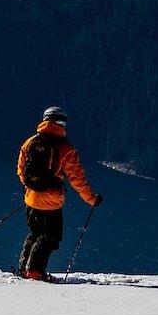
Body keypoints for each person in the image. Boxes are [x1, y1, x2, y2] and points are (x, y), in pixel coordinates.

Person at [15, 105, 100, 280]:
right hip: (51, 203)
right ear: (61, 123)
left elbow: (21, 171)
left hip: (31, 199)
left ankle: (25, 268)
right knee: (51, 237)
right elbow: (78, 180)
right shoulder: (65, 149)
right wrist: (91, 199)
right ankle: (35, 271)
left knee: (35, 233)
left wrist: (33, 188)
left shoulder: (30, 142)